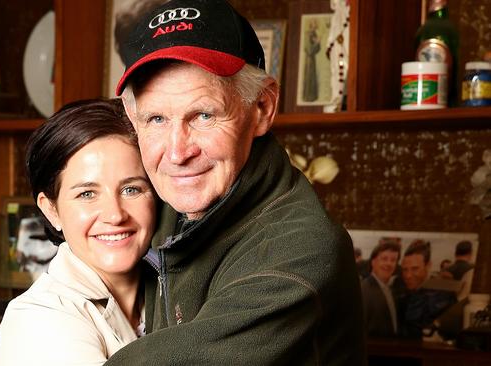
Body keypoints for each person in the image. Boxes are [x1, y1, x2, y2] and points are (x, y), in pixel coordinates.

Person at [106, 0, 366, 364]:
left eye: (203, 115)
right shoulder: (157, 204)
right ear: (133, 119)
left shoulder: (302, 250)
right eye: (156, 119)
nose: (178, 152)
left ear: (262, 108)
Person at [0, 99, 157, 365]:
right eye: (87, 194)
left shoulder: (172, 293)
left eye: (131, 189)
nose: (115, 214)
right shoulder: (39, 320)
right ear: (51, 210)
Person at [397, 240, 457, 339]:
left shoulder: (443, 293)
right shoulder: (402, 290)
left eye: (415, 269)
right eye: (405, 269)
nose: (408, 275)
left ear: (428, 265)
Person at [360, 239, 401, 337]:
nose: (389, 264)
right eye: (384, 259)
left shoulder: (393, 288)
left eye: (393, 260)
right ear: (373, 262)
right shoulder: (364, 290)